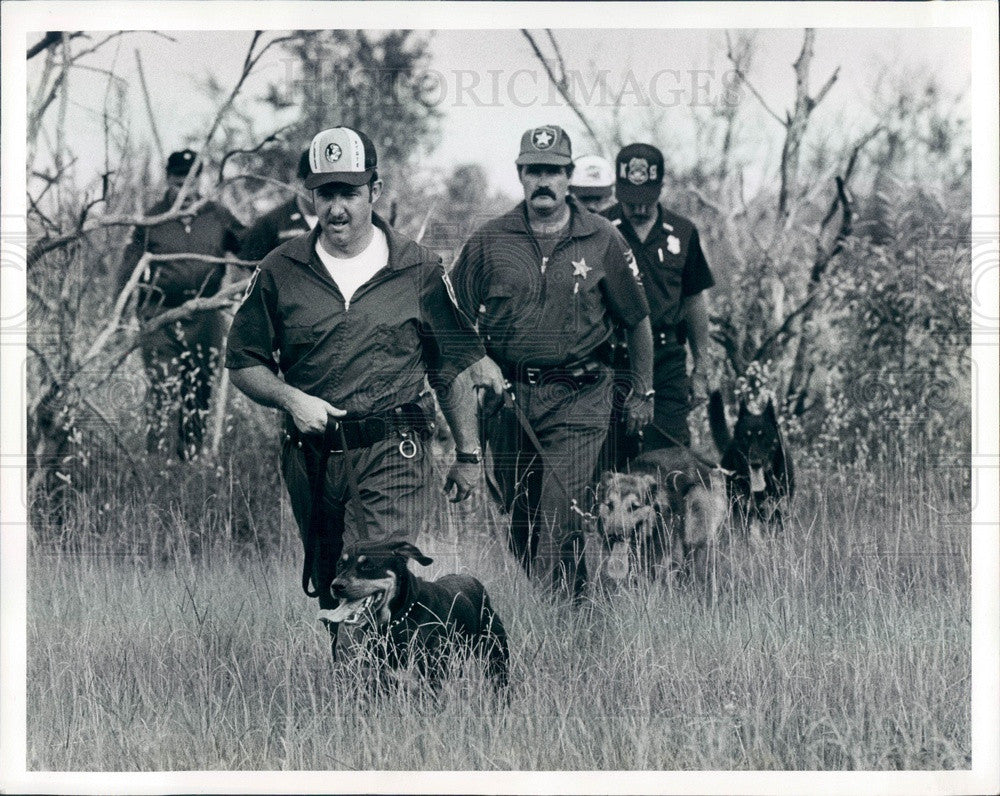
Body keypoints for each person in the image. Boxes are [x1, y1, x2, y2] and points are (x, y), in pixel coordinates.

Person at [225, 127, 503, 653]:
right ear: (311, 196)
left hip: (391, 447)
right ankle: (358, 700)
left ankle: (389, 696)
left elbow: (447, 366)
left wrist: (468, 453)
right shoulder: (280, 270)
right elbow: (243, 363)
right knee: (336, 580)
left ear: (374, 192)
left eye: (349, 192)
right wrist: (290, 398)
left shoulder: (418, 268)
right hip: (311, 454)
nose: (337, 208)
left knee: (374, 569)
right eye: (325, 193)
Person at [450, 125, 654, 599]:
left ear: (568, 176)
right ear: (520, 175)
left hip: (580, 400)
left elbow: (637, 320)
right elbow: (449, 317)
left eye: (554, 171)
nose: (543, 180)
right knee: (521, 524)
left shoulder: (603, 239)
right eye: (533, 170)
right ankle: (576, 604)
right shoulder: (490, 240)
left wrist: (642, 390)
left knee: (558, 517)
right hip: (510, 403)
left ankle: (551, 631)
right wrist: (478, 360)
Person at [116, 148, 245, 460]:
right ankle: (157, 465)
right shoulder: (153, 220)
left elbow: (249, 245)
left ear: (200, 182)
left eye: (191, 184)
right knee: (164, 388)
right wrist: (121, 316)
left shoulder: (218, 215)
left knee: (200, 389)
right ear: (167, 182)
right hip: (161, 317)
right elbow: (128, 269)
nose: (185, 193)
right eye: (178, 184)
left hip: (206, 317)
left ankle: (190, 463)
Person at [602, 142, 715, 460]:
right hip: (613, 361)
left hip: (667, 360)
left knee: (670, 457)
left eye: (646, 201)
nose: (638, 209)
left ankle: (671, 513)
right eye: (630, 201)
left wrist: (701, 369)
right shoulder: (600, 229)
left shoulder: (683, 232)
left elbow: (694, 301)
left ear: (661, 188)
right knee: (611, 461)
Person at [239, 149, 316, 261]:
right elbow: (245, 269)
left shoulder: (341, 219)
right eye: (316, 187)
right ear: (299, 183)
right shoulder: (270, 224)